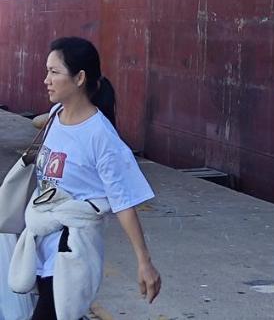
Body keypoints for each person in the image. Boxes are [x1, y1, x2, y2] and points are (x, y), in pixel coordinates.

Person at [11, 37, 161, 320]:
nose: (46, 79)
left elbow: (123, 203)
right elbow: (39, 122)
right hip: (41, 247)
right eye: (47, 71)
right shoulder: (56, 114)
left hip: (70, 253)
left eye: (54, 72)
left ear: (80, 78)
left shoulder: (102, 138)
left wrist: (144, 262)